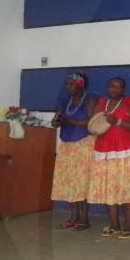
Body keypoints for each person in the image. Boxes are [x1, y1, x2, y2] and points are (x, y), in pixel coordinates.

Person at [87, 77, 130, 240]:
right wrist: (94, 128)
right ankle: (114, 224)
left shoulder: (129, 104)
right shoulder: (102, 104)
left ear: (123, 89)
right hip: (104, 151)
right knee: (108, 188)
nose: (115, 89)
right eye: (112, 86)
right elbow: (95, 124)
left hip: (126, 152)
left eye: (119, 87)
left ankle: (128, 225)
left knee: (126, 188)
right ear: (108, 87)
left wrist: (118, 121)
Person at [51, 72, 97, 231]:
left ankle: (84, 218)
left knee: (83, 181)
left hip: (83, 145)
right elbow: (55, 123)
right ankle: (73, 216)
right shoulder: (65, 102)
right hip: (67, 146)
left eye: (71, 84)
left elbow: (91, 122)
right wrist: (57, 121)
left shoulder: (91, 100)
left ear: (81, 84)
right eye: (67, 84)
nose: (68, 87)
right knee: (69, 181)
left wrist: (68, 121)